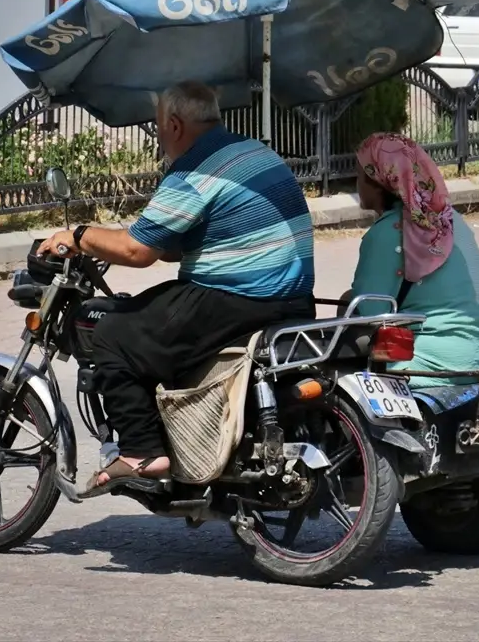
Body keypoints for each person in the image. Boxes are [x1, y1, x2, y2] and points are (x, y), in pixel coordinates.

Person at [36, 81, 316, 496]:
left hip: (237, 299)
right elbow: (176, 242)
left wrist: (78, 235)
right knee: (155, 317)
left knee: (115, 333)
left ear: (174, 124)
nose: (159, 136)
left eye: (158, 126)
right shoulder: (254, 151)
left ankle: (140, 453)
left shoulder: (194, 170)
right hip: (292, 300)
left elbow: (136, 250)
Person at [348, 133, 479, 386]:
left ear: (379, 180)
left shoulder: (387, 233)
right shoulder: (451, 220)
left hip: (433, 365)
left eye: (360, 175)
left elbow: (369, 314)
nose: (357, 185)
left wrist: (347, 302)